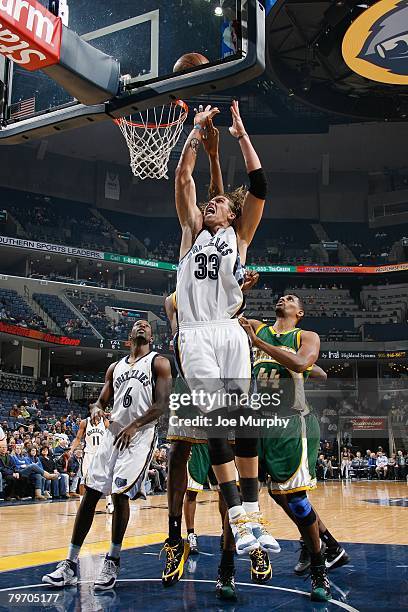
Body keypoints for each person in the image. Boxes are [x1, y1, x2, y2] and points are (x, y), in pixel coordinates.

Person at [164, 99, 277, 598]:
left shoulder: (240, 236)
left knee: (244, 428)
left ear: (231, 214)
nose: (210, 205)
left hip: (231, 332)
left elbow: (260, 187)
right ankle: (237, 514)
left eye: (218, 204)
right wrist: (193, 133)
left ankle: (251, 521)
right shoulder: (192, 232)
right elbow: (185, 180)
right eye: (209, 204)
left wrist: (240, 135)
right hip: (196, 331)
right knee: (213, 421)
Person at [43, 320, 172, 591]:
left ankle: (112, 559)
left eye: (146, 325)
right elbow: (100, 401)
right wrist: (95, 410)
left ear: (151, 335)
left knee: (119, 494)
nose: (141, 326)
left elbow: (162, 405)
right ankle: (69, 563)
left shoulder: (158, 362)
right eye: (137, 324)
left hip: (140, 435)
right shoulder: (116, 367)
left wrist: (135, 424)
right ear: (129, 335)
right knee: (89, 494)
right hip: (113, 433)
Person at [239, 294, 348, 602]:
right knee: (274, 491)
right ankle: (328, 545)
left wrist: (263, 349)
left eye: (291, 299)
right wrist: (241, 285)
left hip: (293, 424)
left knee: (298, 499)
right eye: (281, 296)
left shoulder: (305, 336)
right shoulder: (259, 328)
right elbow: (232, 310)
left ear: (299, 312)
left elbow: (303, 362)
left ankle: (319, 571)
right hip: (263, 422)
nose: (283, 299)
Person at [69, 410, 112, 512]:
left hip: (102, 455)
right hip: (89, 454)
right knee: (85, 479)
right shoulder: (85, 422)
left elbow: (111, 437)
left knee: (107, 479)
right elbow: (78, 438)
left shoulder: (105, 422)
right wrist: (72, 449)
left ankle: (109, 504)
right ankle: (82, 504)